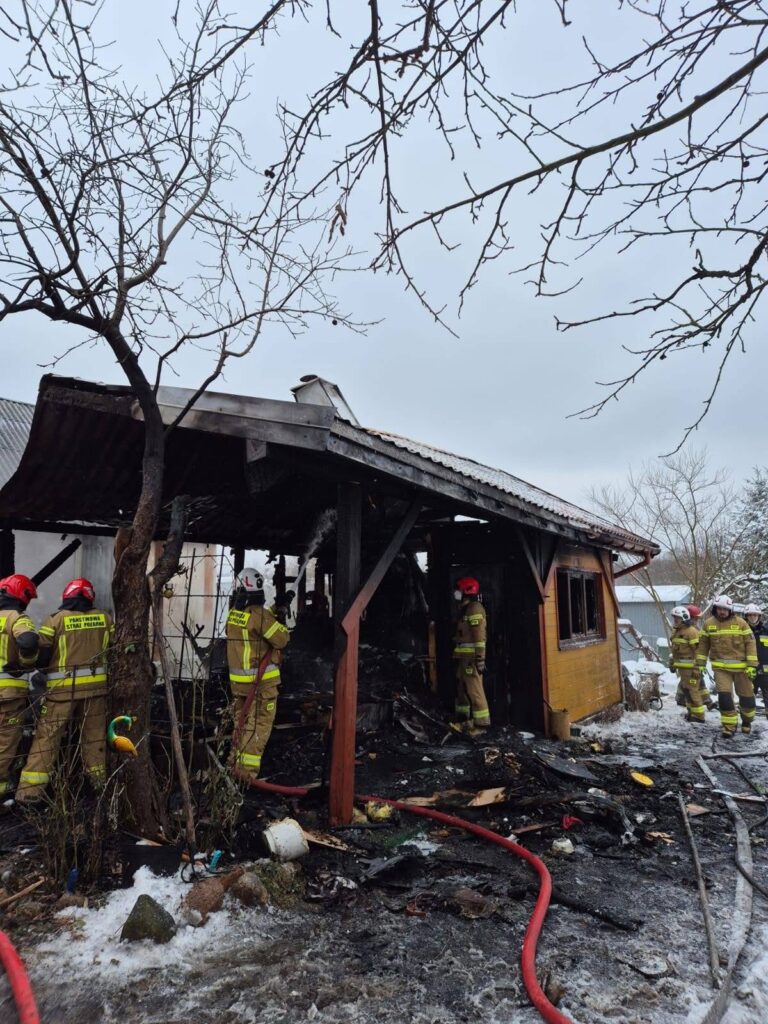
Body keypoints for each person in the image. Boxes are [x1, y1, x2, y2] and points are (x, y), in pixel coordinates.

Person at [15, 578, 114, 803]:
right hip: (96, 692)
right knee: (95, 739)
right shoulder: (106, 619)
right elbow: (116, 649)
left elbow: (41, 657)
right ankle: (99, 788)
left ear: (67, 596)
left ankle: (30, 794)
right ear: (90, 596)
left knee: (46, 741)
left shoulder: (55, 620)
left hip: (60, 695)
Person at [225, 568, 290, 779]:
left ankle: (233, 766)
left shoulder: (235, 615)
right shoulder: (260, 617)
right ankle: (246, 776)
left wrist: (277, 608)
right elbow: (282, 639)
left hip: (239, 685)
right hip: (261, 685)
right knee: (258, 727)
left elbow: (257, 624)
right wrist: (280, 620)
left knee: (242, 725)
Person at [696, 595, 758, 737]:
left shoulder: (741, 623)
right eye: (720, 609)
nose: (722, 612)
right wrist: (700, 663)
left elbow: (750, 644)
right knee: (724, 697)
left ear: (730, 610)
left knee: (747, 699)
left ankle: (747, 721)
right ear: (715, 609)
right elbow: (703, 645)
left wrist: (751, 666)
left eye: (725, 609)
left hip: (742, 669)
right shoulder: (708, 624)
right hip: (720, 669)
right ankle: (729, 726)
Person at [0, 575, 39, 799]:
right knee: (4, 745)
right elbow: (28, 641)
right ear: (22, 596)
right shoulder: (17, 618)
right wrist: (25, 665)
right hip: (8, 696)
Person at [452, 576, 490, 733]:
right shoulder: (464, 609)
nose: (455, 593)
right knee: (462, 689)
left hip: (471, 660)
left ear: (466, 591)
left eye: (458, 590)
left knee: (474, 690)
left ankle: (481, 725)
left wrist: (480, 658)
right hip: (462, 659)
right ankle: (464, 720)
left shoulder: (474, 608)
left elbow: (479, 637)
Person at [668, 605, 707, 722]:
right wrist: (672, 663)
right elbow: (675, 651)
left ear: (684, 618)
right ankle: (691, 713)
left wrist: (697, 668)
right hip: (683, 670)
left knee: (693, 692)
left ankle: (699, 716)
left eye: (677, 618)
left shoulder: (692, 632)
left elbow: (699, 652)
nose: (675, 621)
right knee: (687, 691)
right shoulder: (676, 632)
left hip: (691, 669)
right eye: (674, 618)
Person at [744, 603, 768, 716]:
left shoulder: (766, 631)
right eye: (750, 615)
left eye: (755, 615)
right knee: (748, 694)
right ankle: (748, 716)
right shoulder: (742, 631)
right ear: (746, 616)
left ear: (759, 616)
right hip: (749, 669)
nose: (753, 617)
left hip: (765, 669)